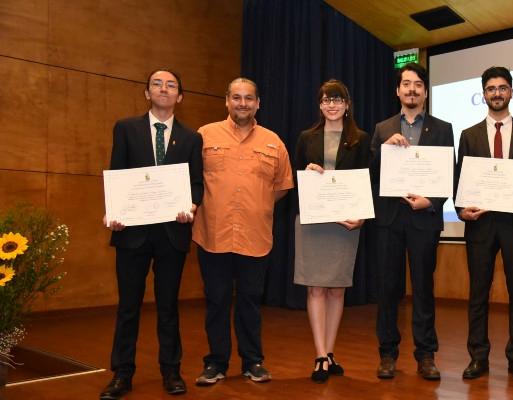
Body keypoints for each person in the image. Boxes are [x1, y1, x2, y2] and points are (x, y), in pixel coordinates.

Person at [100, 69, 203, 400]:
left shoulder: (191, 138)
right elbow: (117, 175)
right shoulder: (126, 129)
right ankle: (122, 374)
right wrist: (114, 212)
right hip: (132, 232)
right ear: (147, 93)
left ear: (180, 97)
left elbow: (197, 183)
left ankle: (171, 371)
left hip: (172, 233)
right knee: (128, 306)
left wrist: (191, 205)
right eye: (157, 84)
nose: (164, 89)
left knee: (169, 306)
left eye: (171, 85)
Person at [191, 77, 294, 386]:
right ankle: (216, 363)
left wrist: (256, 204)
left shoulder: (274, 142)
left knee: (250, 302)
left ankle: (253, 362)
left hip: (255, 236)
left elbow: (281, 187)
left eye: (249, 98)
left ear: (258, 103)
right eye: (236, 97)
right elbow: (192, 180)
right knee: (217, 300)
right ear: (227, 101)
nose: (242, 103)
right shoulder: (204, 136)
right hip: (213, 234)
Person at [455, 66, 513, 382]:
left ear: (511, 91)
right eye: (491, 88)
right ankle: (477, 357)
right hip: (480, 225)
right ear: (484, 94)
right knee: (478, 294)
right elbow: (459, 183)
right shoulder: (468, 135)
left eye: (502, 87)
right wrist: (461, 210)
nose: (497, 93)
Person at [370, 62, 454, 381]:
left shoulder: (442, 128)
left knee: (423, 289)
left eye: (417, 84)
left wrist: (430, 201)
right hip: (390, 220)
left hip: (424, 219)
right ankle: (387, 354)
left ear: (425, 92)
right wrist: (382, 151)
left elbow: (449, 173)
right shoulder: (381, 129)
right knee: (388, 289)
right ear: (397, 90)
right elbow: (371, 173)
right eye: (406, 84)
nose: (411, 90)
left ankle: (426, 354)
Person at [293, 80, 370, 383]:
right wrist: (307, 173)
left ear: (347, 104)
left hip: (346, 222)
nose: (332, 105)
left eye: (338, 99)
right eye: (326, 100)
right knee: (315, 287)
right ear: (320, 105)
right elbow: (296, 179)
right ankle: (320, 354)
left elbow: (367, 181)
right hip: (313, 220)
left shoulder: (361, 139)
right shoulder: (305, 138)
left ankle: (330, 350)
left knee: (337, 289)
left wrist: (362, 217)